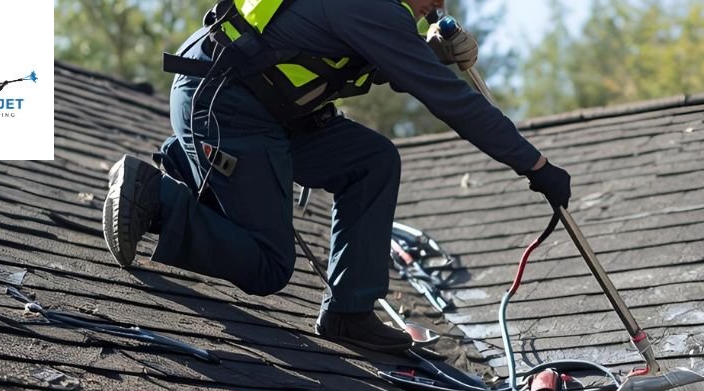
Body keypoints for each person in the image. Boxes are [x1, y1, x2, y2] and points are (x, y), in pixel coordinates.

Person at [102, 0, 571, 353]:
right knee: (268, 265)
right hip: (225, 105)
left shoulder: (377, 12)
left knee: (371, 161)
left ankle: (349, 312)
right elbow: (452, 102)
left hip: (264, 109)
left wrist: (426, 51)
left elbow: (340, 51)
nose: (439, 6)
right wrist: (535, 165)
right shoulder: (373, 7)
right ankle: (156, 197)